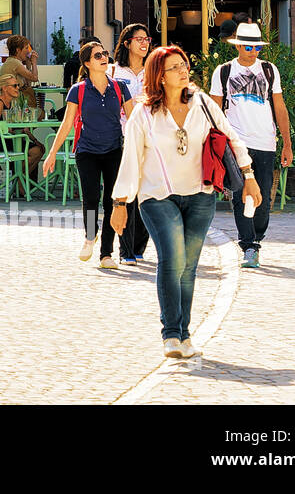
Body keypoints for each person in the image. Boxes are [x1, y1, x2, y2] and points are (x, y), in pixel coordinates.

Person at [112, 46, 259, 359]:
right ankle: (170, 333)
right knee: (173, 258)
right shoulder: (144, 112)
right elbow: (131, 158)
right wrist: (120, 202)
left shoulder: (202, 103)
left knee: (189, 267)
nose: (183, 71)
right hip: (156, 196)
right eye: (175, 67)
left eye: (185, 64)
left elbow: (231, 137)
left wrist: (248, 175)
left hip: (201, 195)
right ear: (160, 77)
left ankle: (185, 334)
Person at [44, 41, 136, 269]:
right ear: (86, 63)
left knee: (112, 202)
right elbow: (67, 124)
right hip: (87, 151)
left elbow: (135, 122)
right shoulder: (79, 90)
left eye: (104, 54)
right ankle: (89, 236)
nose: (104, 57)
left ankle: (106, 254)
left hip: (114, 149)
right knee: (91, 198)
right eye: (97, 56)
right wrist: (52, 153)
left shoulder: (120, 87)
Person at [209, 22, 292, 269]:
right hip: (236, 143)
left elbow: (279, 106)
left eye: (256, 46)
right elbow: (214, 111)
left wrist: (287, 143)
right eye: (248, 46)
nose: (253, 50)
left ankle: (256, 237)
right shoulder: (223, 72)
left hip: (265, 141)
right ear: (238, 45)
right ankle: (248, 244)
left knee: (263, 200)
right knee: (240, 195)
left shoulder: (269, 70)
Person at [109, 22, 153, 261]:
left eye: (147, 39)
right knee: (125, 194)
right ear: (127, 43)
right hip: (122, 138)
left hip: (149, 139)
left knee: (147, 193)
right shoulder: (114, 72)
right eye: (139, 39)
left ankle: (139, 247)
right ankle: (125, 249)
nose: (145, 43)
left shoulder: (153, 71)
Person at [0, 73, 44, 184]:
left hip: (10, 139)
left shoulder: (13, 104)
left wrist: (35, 140)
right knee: (35, 152)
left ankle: (18, 181)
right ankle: (19, 182)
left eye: (18, 85)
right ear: (4, 88)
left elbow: (22, 128)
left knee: (39, 149)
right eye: (14, 86)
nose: (18, 88)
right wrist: (11, 131)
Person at [0, 35, 40, 107]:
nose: (28, 51)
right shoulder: (14, 63)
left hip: (12, 102)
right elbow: (35, 78)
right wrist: (34, 62)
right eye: (26, 48)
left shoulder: (14, 62)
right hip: (7, 103)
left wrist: (28, 65)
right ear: (18, 50)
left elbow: (28, 84)